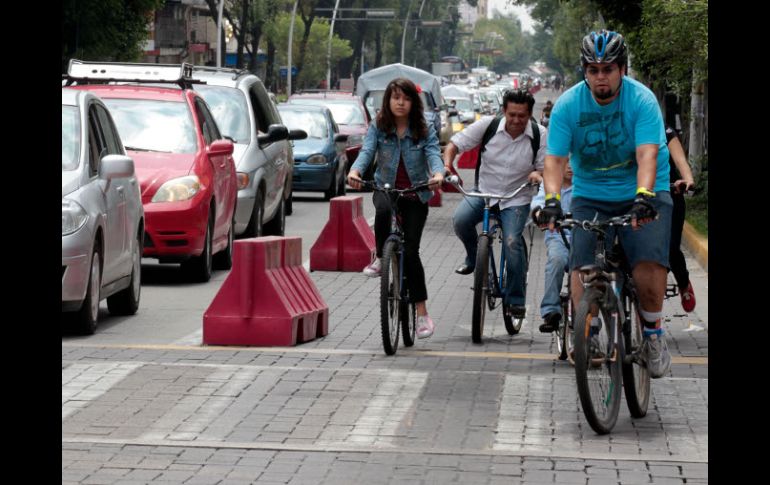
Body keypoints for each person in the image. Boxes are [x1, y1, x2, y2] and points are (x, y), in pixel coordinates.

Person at [537, 30, 673, 378]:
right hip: (591, 193)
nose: (600, 76)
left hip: (642, 190)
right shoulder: (569, 105)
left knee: (647, 268)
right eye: (593, 69)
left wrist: (644, 197)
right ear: (584, 71)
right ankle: (589, 334)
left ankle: (654, 334)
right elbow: (554, 161)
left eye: (608, 69)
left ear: (622, 69)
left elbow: (646, 154)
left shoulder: (641, 101)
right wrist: (552, 201)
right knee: (582, 267)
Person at [347, 78, 445, 339]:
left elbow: (434, 154)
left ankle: (422, 314)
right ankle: (381, 257)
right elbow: (367, 151)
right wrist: (355, 170)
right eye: (395, 97)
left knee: (411, 252)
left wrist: (437, 173)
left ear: (413, 102)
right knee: (381, 211)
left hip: (416, 193)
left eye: (406, 98)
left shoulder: (424, 130)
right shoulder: (379, 126)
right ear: (388, 101)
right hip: (386, 188)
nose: (400, 102)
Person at [444, 89, 546, 319]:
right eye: (512, 115)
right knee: (460, 221)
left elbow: (543, 167)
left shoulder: (540, 134)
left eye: (522, 116)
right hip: (484, 194)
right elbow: (454, 145)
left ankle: (516, 300)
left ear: (530, 114)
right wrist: (448, 167)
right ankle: (474, 257)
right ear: (504, 111)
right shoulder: (488, 126)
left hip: (516, 198)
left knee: (512, 242)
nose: (516, 121)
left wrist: (537, 174)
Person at [530, 162, 573, 333]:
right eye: (566, 162)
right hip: (558, 236)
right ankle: (550, 310)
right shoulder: (549, 185)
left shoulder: (585, 185)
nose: (570, 167)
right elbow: (537, 204)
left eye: (574, 162)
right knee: (556, 260)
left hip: (583, 235)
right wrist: (541, 215)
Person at [665, 125, 696, 312]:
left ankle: (684, 283)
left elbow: (680, 160)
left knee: (670, 249)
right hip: (634, 197)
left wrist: (687, 179)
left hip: (669, 193)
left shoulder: (664, 131)